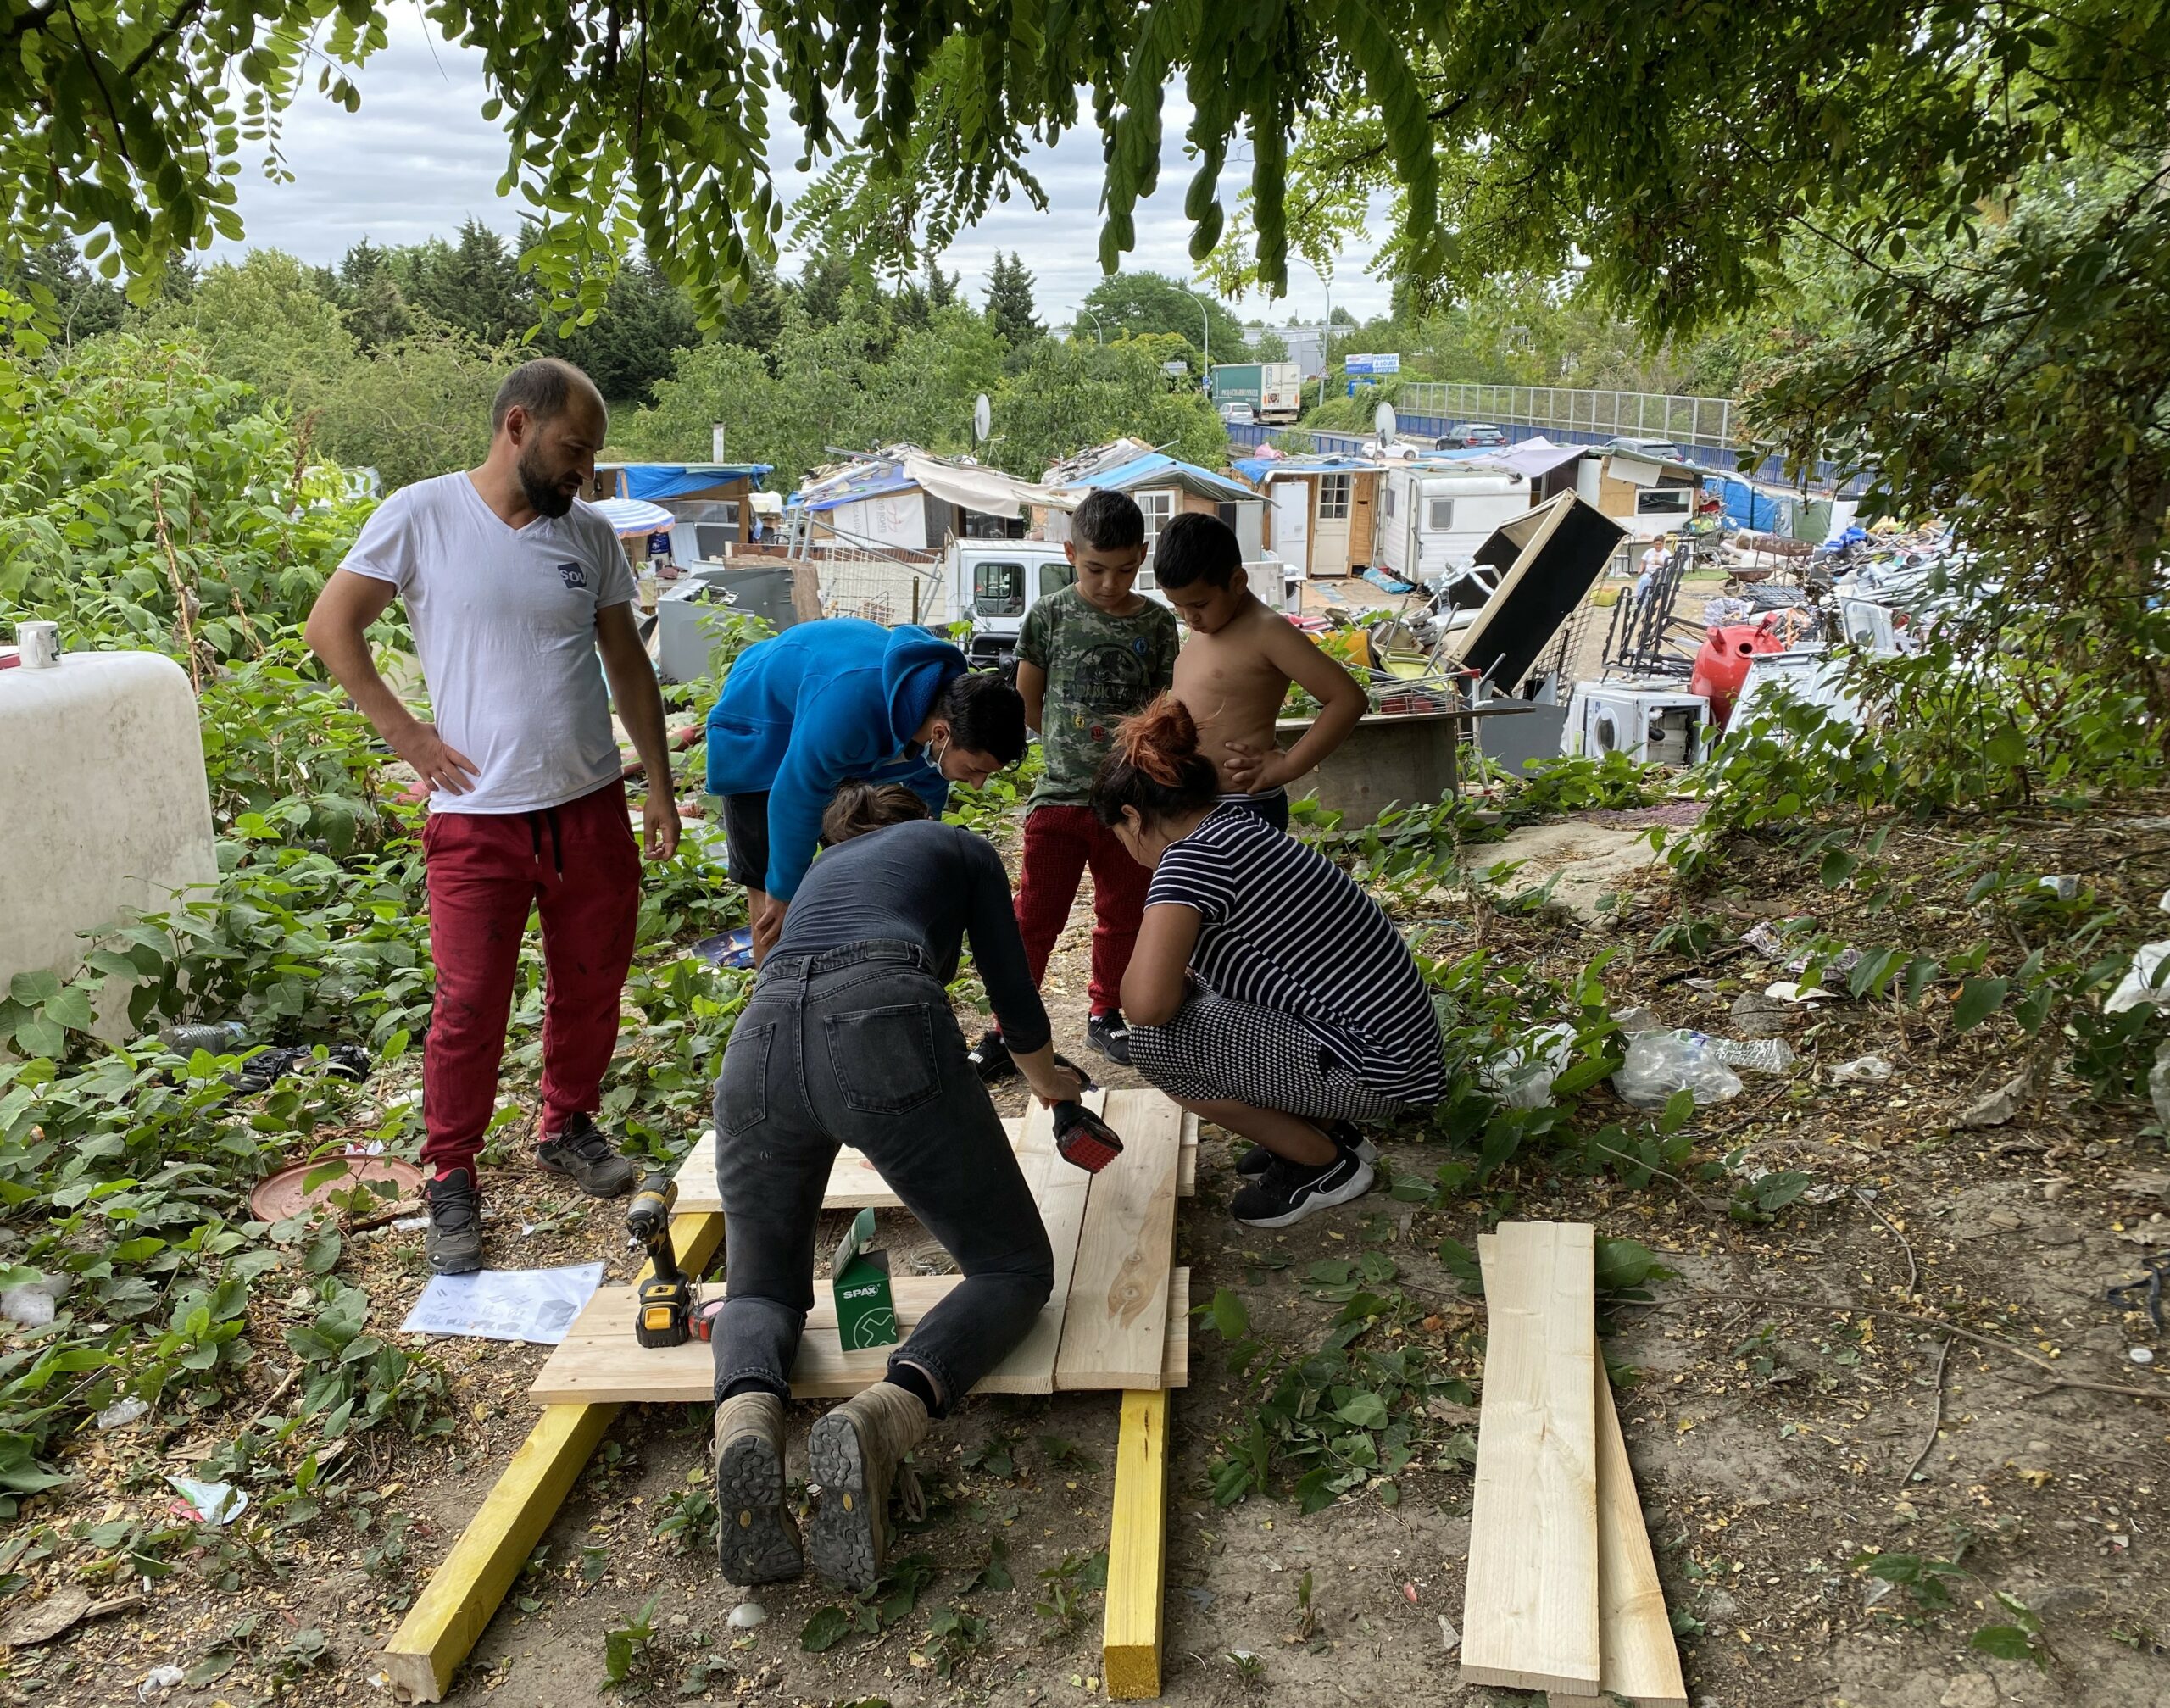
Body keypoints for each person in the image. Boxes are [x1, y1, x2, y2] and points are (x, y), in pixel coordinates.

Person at [305, 358, 678, 1273]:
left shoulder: (586, 534)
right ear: (517, 425)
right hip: (477, 818)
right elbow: (331, 625)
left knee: (592, 979)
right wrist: (406, 734)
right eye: (571, 449)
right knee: (469, 1003)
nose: (582, 471)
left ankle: (566, 1122)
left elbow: (626, 663)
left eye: (590, 455)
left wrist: (659, 782)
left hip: (588, 804)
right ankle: (451, 1172)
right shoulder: (421, 513)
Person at [707, 782, 1087, 1590]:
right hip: (880, 1011)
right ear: (914, 819)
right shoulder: (957, 846)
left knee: (762, 1287)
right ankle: (880, 1417)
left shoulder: (817, 876)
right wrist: (1052, 1084)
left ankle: (745, 1419)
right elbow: (1015, 1007)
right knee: (1013, 1269)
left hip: (759, 1039)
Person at [1088, 696, 1444, 1228]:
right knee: (1208, 997)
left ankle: (1323, 1165)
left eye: (1119, 835)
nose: (1126, 849)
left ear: (1134, 817)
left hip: (1377, 1069)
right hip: (1396, 1052)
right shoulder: (1238, 828)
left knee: (1157, 1043)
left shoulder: (1188, 859)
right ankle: (1321, 1127)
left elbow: (1145, 1006)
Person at [973, 490, 1179, 1079]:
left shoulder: (1158, 624)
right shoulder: (1050, 614)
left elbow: (1164, 710)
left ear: (1143, 555)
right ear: (1070, 553)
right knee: (1033, 915)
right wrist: (1069, 749)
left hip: (1130, 805)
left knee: (1124, 913)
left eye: (1125, 569)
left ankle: (1106, 1011)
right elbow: (1029, 701)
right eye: (1095, 569)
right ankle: (1007, 1026)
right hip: (1060, 797)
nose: (1111, 583)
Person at [704, 619, 1027, 962]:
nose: (977, 784)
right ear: (940, 734)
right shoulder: (850, 708)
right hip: (758, 725)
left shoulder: (944, 706)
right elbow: (794, 797)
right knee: (775, 900)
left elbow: (922, 812)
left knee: (858, 854)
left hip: (829, 723)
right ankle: (771, 991)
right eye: (976, 771)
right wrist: (784, 893)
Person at [1158, 512, 1367, 832]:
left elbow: (1348, 699)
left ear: (1238, 582)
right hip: (1191, 802)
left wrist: (1287, 765)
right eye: (1178, 606)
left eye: (1199, 604)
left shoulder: (1267, 631)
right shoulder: (1208, 626)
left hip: (1243, 805)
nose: (1189, 617)